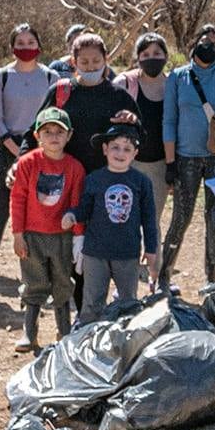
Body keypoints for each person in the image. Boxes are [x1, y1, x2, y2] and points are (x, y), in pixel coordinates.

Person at [0, 23, 58, 282]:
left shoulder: (52, 77)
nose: (25, 48)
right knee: (0, 208)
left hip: (43, 147)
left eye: (30, 43)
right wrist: (15, 149)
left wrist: (40, 147)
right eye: (20, 43)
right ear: (12, 47)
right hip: (11, 147)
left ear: (39, 46)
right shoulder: (0, 77)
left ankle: (45, 267)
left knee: (43, 207)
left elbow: (53, 114)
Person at [158, 24, 215, 289]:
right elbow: (169, 121)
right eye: (205, 40)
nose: (210, 46)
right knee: (180, 220)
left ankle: (210, 280)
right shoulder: (177, 77)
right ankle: (163, 278)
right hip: (185, 158)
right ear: (194, 43)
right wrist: (170, 163)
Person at [64, 123, 160, 321]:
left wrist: (151, 250)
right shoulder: (94, 179)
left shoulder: (141, 182)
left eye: (127, 149)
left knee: (128, 304)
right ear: (105, 149)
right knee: (92, 302)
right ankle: (88, 340)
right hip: (95, 252)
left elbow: (149, 219)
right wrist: (73, 215)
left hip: (127, 253)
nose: (120, 153)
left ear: (135, 153)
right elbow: (84, 208)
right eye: (115, 147)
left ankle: (123, 343)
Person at [8, 107, 85, 351]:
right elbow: (18, 199)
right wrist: (18, 234)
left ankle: (64, 331)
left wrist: (77, 236)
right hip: (32, 235)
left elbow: (76, 203)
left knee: (63, 281)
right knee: (34, 282)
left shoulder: (74, 168)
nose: (53, 137)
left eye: (59, 132)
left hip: (61, 237)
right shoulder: (28, 163)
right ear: (37, 135)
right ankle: (29, 333)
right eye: (47, 131)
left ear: (69, 135)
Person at [36, 32, 139, 174]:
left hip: (106, 178)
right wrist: (20, 163)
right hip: (64, 177)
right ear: (74, 62)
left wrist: (133, 122)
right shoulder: (60, 92)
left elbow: (140, 137)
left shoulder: (119, 96)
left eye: (96, 61)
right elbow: (35, 130)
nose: (91, 67)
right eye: (84, 62)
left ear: (105, 59)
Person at [114, 32, 172, 225]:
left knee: (151, 222)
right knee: (125, 220)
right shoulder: (125, 83)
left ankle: (154, 256)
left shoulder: (174, 84)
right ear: (138, 58)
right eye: (145, 54)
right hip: (128, 164)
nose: (151, 58)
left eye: (157, 53)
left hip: (160, 165)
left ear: (166, 56)